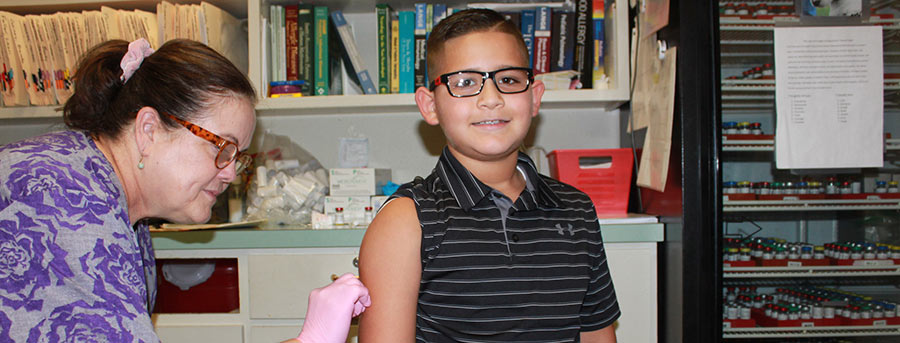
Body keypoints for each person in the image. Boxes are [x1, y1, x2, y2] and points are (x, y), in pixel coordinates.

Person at [0, 38, 369, 342]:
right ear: (148, 130)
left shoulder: (119, 208)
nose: (230, 175)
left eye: (237, 157)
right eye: (220, 147)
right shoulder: (64, 202)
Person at [358, 9, 620, 342]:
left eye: (508, 79)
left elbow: (598, 334)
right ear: (430, 106)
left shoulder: (577, 209)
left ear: (535, 96)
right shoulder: (406, 221)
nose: (491, 99)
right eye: (465, 82)